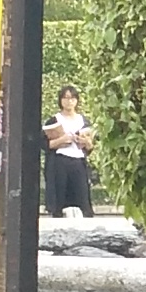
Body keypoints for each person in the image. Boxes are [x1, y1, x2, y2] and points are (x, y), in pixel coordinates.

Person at [43, 86, 95, 219]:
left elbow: (90, 147)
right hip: (59, 161)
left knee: (83, 197)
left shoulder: (83, 121)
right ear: (60, 100)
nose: (69, 101)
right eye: (65, 98)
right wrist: (62, 140)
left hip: (78, 161)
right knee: (59, 197)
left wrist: (85, 142)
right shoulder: (54, 120)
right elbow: (45, 145)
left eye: (72, 98)